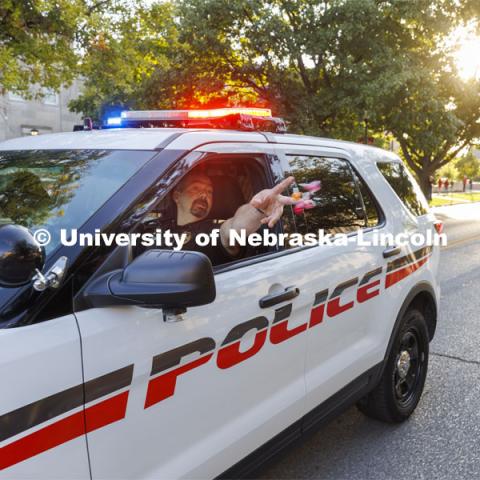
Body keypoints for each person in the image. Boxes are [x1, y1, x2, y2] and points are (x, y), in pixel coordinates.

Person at [158, 170, 296, 265]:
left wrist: (258, 209)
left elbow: (233, 229)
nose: (203, 196)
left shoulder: (212, 232)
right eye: (195, 188)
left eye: (209, 191)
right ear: (177, 196)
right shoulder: (154, 227)